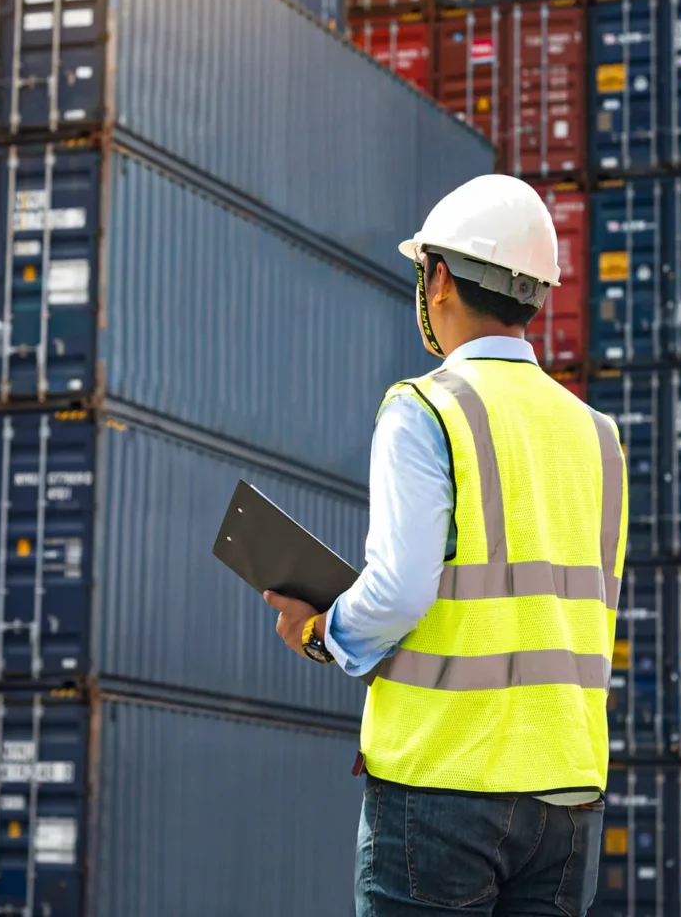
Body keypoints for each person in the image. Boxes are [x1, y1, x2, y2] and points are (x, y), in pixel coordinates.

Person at [264, 174, 627, 917]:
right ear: (534, 292)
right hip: (566, 794)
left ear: (436, 279)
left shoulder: (426, 407)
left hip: (443, 790)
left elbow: (399, 590)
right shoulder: (599, 435)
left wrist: (319, 633)